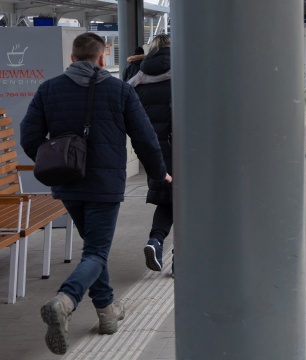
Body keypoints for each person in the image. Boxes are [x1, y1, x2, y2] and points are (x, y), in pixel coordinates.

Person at [20, 32, 171, 355]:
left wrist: (54, 163)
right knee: (96, 253)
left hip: (67, 184)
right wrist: (159, 173)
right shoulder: (119, 90)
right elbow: (145, 138)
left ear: (72, 59)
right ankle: (66, 299)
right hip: (104, 185)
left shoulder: (49, 89)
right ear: (104, 58)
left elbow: (29, 136)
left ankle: (106, 312)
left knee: (93, 247)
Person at [128, 34, 174, 276]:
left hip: (153, 150)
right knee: (187, 202)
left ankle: (155, 242)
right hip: (185, 149)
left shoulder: (138, 78)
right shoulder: (185, 73)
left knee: (168, 199)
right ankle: (181, 258)